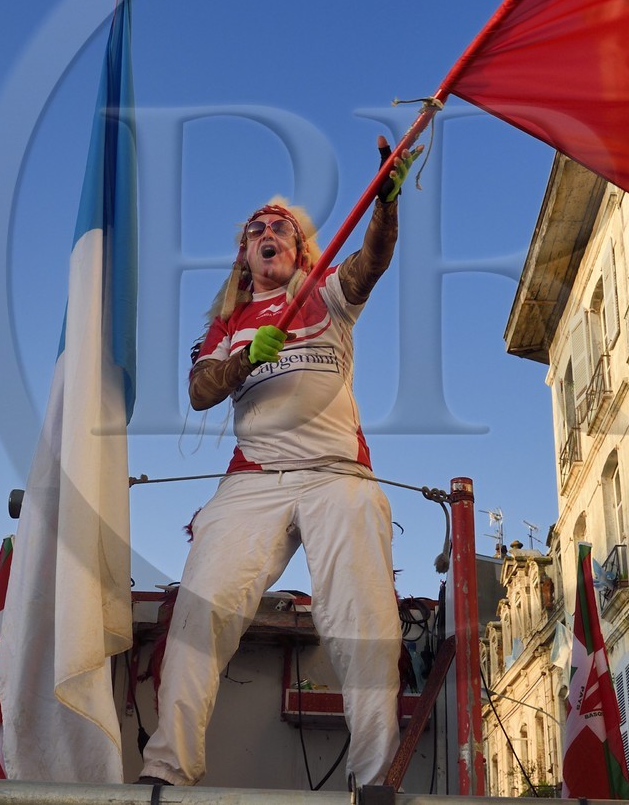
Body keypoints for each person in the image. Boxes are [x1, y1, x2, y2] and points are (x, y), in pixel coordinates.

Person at [137, 142, 420, 789]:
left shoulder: (328, 295)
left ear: (300, 248)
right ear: (244, 254)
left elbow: (373, 259)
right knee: (199, 613)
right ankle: (165, 774)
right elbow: (201, 391)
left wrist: (387, 202)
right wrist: (246, 360)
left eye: (281, 227)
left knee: (362, 613)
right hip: (253, 482)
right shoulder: (226, 322)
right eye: (256, 230)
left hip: (338, 477)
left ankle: (373, 779)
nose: (268, 233)